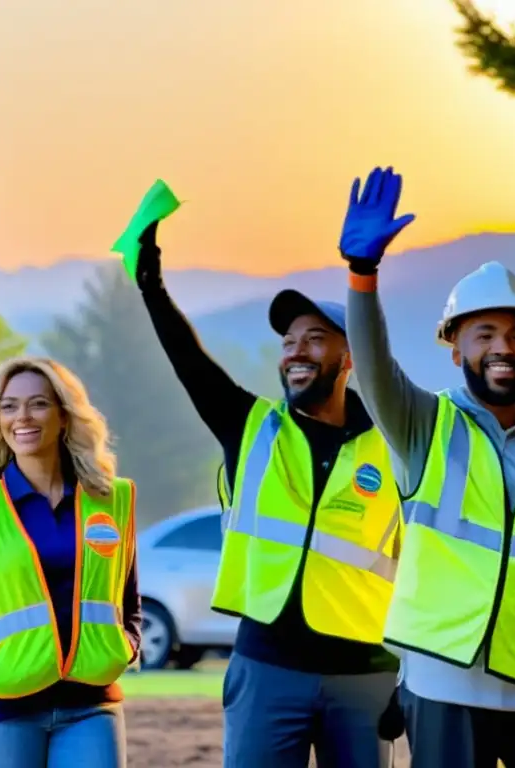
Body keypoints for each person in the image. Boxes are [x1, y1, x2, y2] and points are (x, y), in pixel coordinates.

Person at [340, 166, 515, 768]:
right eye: (484, 332)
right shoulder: (423, 426)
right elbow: (372, 363)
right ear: (455, 345)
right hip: (444, 682)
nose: (503, 348)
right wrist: (363, 276)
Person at [134, 220, 403, 768]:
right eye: (288, 341)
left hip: (365, 676)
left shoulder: (398, 445)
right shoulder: (250, 425)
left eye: (315, 338)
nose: (296, 351)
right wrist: (151, 289)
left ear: (350, 358)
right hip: (266, 669)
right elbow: (190, 363)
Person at [0, 356, 141, 767]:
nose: (22, 416)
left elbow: (127, 598)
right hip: (1, 706)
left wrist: (126, 646)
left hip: (92, 705)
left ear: (65, 416)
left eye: (38, 403)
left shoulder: (112, 500)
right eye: (8, 405)